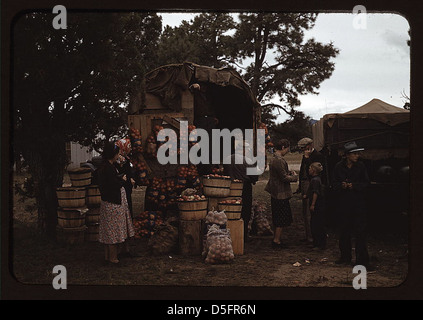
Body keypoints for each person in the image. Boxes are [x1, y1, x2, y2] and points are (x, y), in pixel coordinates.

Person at [332, 141, 372, 269]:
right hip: (343, 204)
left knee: (360, 232)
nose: (357, 156)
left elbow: (366, 183)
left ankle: (362, 260)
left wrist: (353, 186)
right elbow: (333, 184)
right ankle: (345, 257)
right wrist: (341, 186)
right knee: (344, 231)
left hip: (358, 204)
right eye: (354, 154)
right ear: (347, 155)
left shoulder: (361, 166)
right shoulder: (338, 167)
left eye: (358, 154)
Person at [97, 141, 135, 265]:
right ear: (113, 154)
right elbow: (112, 185)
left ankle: (109, 256)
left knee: (109, 230)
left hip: (111, 202)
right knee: (113, 231)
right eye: (117, 153)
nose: (119, 156)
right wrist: (122, 180)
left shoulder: (108, 166)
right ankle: (113, 257)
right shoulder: (107, 168)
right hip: (113, 202)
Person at [265, 139, 298, 249]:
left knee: (278, 216)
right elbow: (283, 178)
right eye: (287, 148)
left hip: (276, 191)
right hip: (280, 193)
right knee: (281, 217)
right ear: (283, 147)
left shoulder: (275, 158)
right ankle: (276, 240)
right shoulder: (278, 160)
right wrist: (294, 177)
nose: (288, 151)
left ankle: (277, 238)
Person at [223, 141, 259, 242]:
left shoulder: (228, 159)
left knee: (231, 209)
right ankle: (243, 235)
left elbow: (225, 173)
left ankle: (230, 232)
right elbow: (254, 177)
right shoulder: (247, 161)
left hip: (230, 187)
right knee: (245, 210)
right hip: (244, 187)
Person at [297, 137, 325, 244]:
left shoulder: (317, 156)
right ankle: (308, 235)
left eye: (303, 148)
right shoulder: (306, 156)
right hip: (305, 183)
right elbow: (302, 170)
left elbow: (313, 171)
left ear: (309, 146)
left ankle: (312, 237)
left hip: (311, 183)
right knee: (305, 212)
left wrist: (307, 158)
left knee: (310, 212)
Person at [115, 139, 136, 218]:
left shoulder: (125, 158)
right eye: (128, 147)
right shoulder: (119, 160)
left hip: (126, 184)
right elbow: (123, 171)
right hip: (123, 185)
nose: (130, 149)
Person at [307, 162, 326, 250]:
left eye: (310, 168)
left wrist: (313, 204)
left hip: (317, 204)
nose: (309, 170)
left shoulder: (315, 180)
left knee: (316, 224)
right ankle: (317, 243)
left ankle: (319, 244)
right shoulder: (317, 179)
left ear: (313, 170)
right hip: (319, 204)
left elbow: (315, 192)